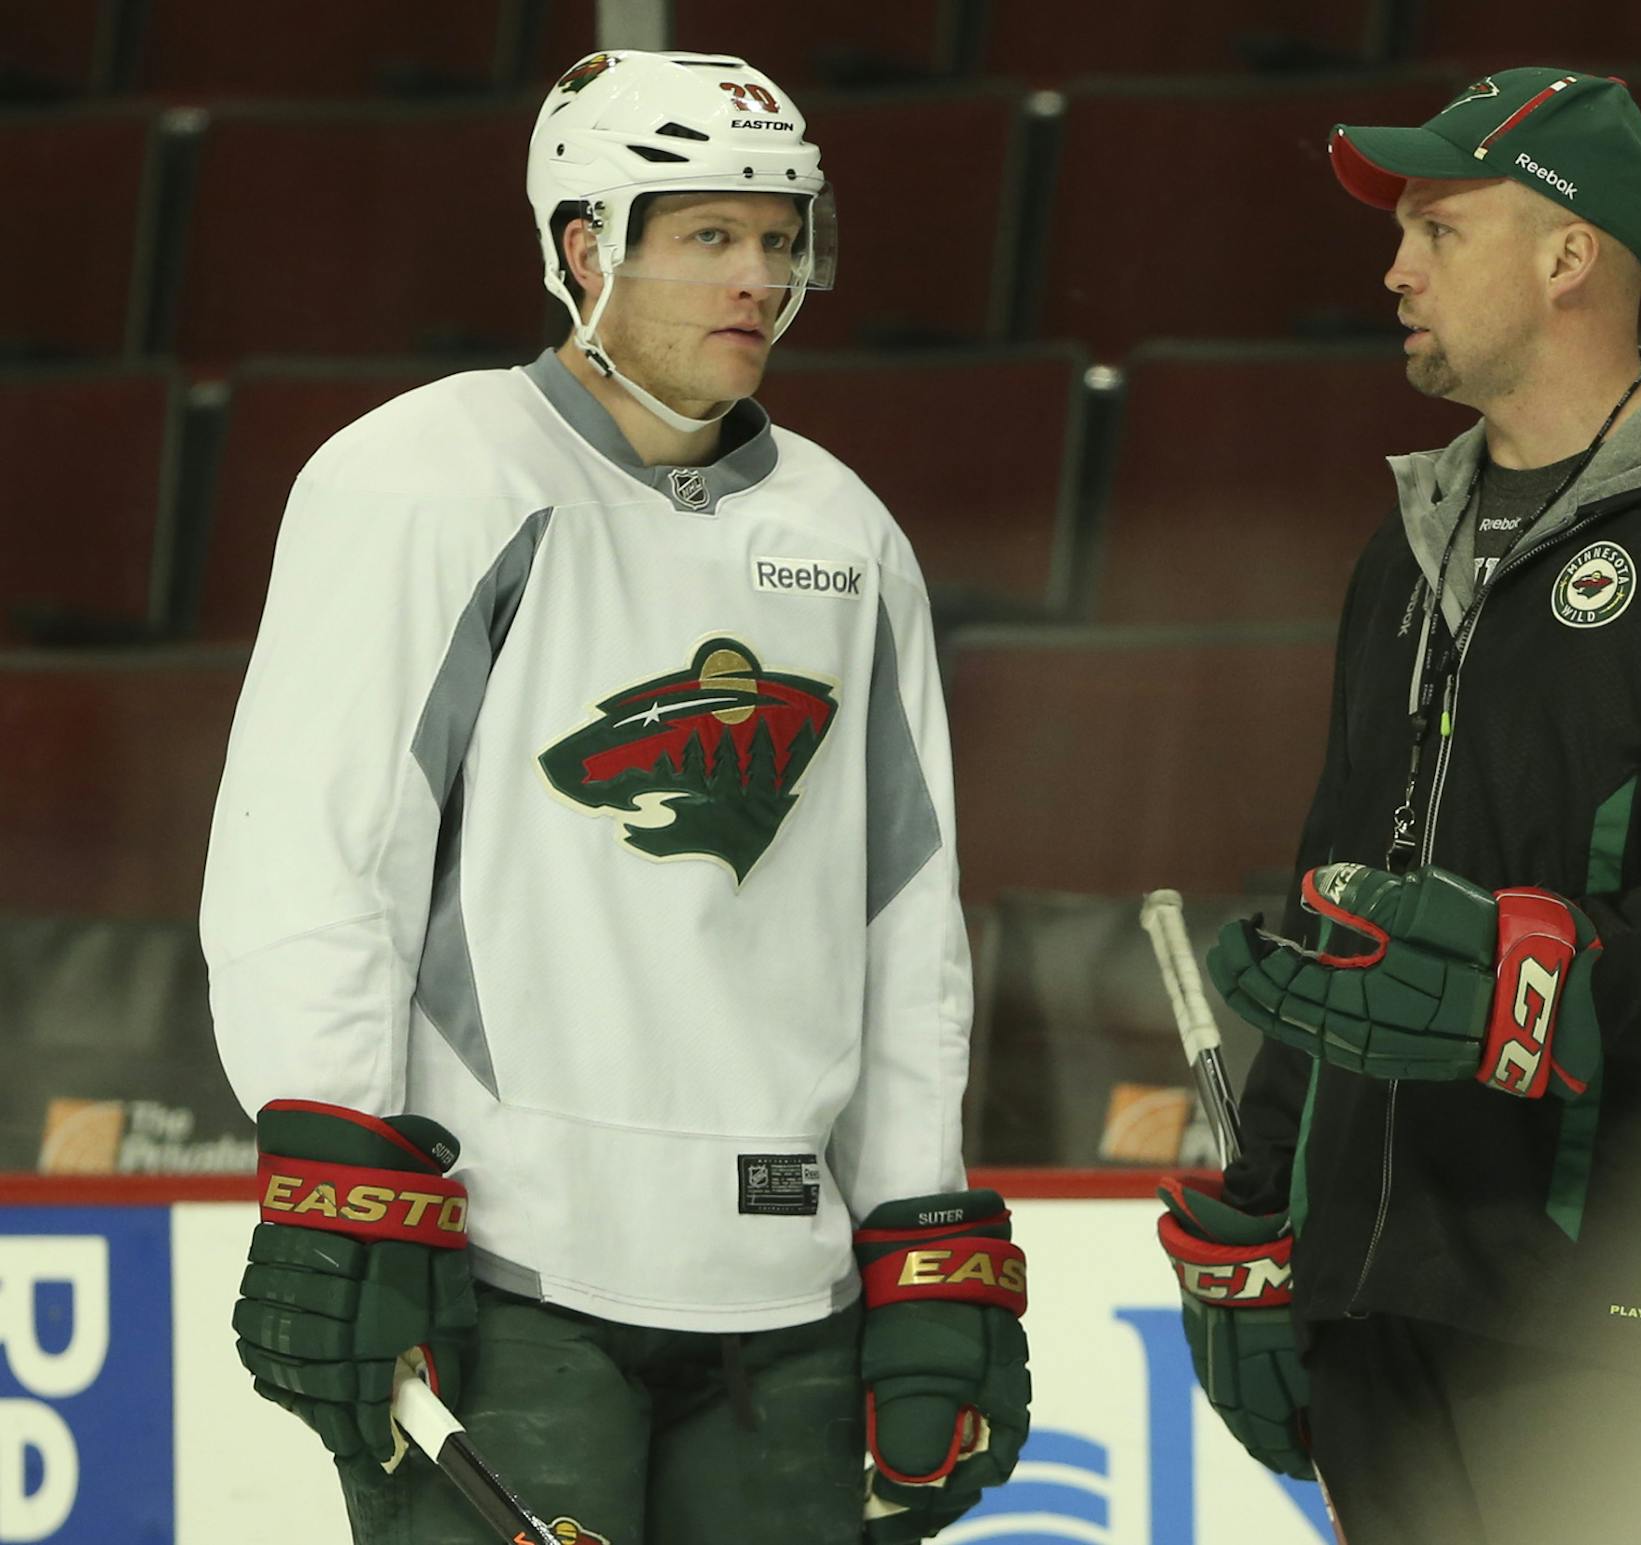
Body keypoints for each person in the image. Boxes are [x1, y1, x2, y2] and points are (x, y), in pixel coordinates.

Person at [202, 50, 1028, 1545]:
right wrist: (333, 1163)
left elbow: (906, 917)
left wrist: (918, 1223)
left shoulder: (845, 531)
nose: (758, 278)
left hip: (787, 1295)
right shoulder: (426, 476)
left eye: (778, 239)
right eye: (710, 235)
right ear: (586, 246)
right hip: (507, 1276)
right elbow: (316, 850)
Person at [1155, 67, 1641, 1544]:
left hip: (1622, 1311)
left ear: (1568, 255)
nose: (1395, 268)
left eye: (1439, 229)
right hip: (1379, 1297)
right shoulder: (1407, 539)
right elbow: (1334, 910)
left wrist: (1527, 990)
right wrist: (1266, 1211)